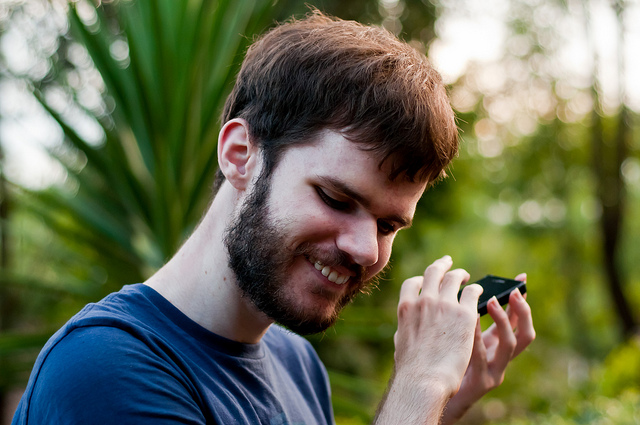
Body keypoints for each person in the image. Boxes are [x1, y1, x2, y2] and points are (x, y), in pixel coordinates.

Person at [12, 10, 535, 425]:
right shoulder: (106, 370)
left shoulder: (297, 364)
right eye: (335, 198)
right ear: (241, 154)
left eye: (387, 225)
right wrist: (418, 385)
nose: (365, 249)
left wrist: (440, 405)